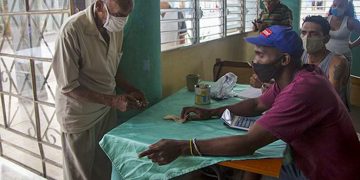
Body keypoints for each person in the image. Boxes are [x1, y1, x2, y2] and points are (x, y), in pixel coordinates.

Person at [139, 26, 360, 180]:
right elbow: (256, 105)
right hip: (307, 161)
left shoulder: (303, 89)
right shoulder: (294, 77)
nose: (254, 61)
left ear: (284, 60)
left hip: (329, 173)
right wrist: (211, 112)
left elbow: (248, 143)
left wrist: (182, 147)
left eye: (261, 55)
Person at [52, 0, 148, 179]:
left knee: (103, 171)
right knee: (80, 174)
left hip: (105, 112)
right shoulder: (72, 31)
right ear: (99, 6)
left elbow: (110, 69)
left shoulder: (115, 29)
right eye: (118, 15)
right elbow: (68, 87)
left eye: (126, 16)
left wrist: (131, 88)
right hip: (79, 117)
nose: (122, 21)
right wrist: (113, 101)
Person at [301, 15, 350, 109]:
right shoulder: (301, 56)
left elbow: (329, 98)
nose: (307, 37)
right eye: (304, 33)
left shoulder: (338, 62)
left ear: (326, 38)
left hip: (330, 113)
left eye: (314, 34)